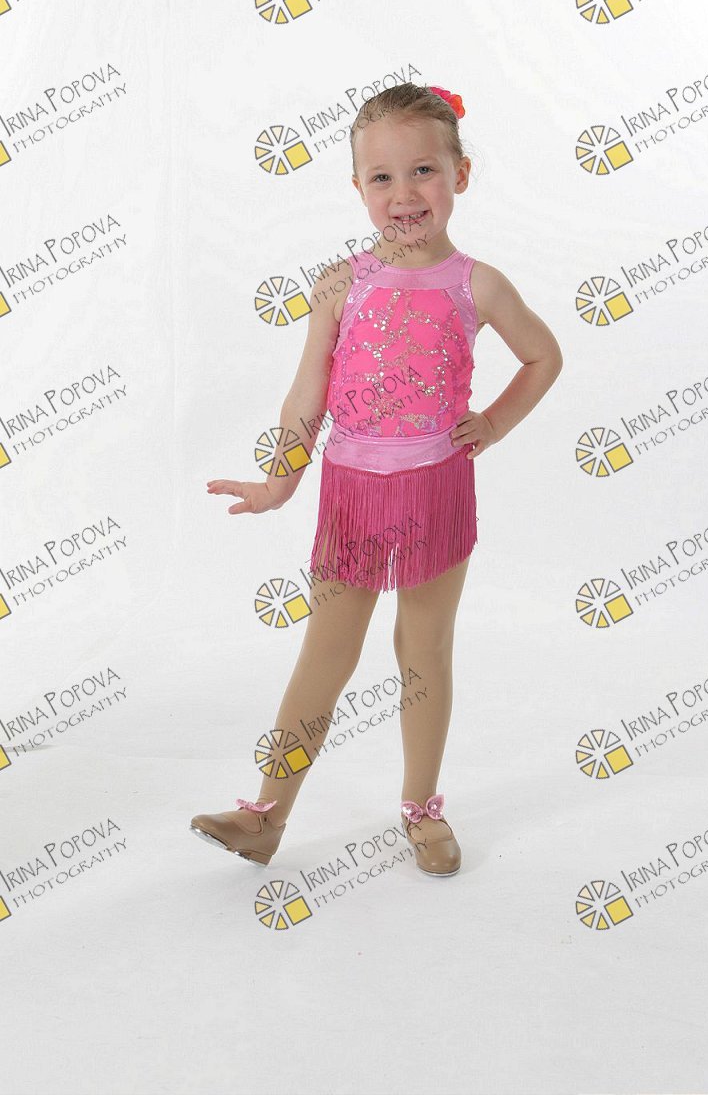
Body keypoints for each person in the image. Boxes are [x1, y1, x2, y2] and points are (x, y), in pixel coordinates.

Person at [190, 82, 563, 877]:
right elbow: (306, 395)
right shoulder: (340, 284)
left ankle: (422, 809)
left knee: (423, 651)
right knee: (325, 653)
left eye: (423, 170)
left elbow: (543, 357)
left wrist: (493, 423)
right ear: (358, 187)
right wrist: (278, 483)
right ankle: (265, 815)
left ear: (460, 174)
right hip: (353, 495)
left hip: (435, 490)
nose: (405, 194)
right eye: (382, 178)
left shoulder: (478, 284)